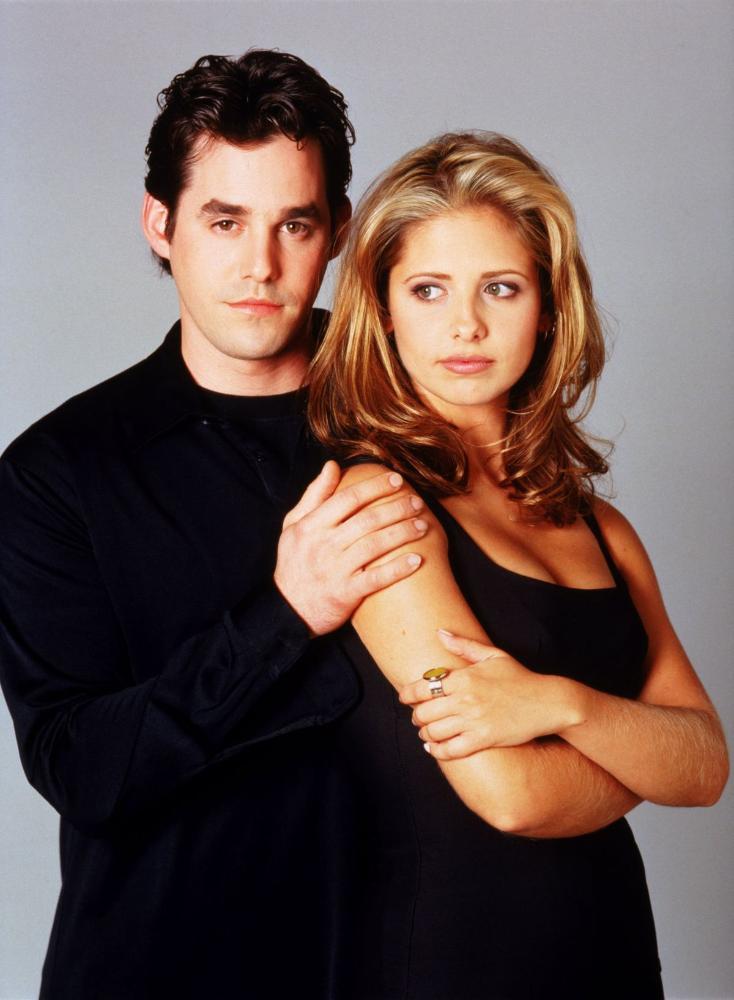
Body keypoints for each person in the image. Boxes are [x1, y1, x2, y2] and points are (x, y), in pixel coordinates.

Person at [0, 51, 431, 999]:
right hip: (162, 971)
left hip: (394, 963)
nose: (260, 266)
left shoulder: (419, 413)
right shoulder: (57, 472)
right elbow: (81, 768)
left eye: (294, 224)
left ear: (338, 232)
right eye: (224, 221)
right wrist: (288, 613)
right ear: (160, 224)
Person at [308, 131, 729, 998]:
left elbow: (708, 765)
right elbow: (515, 797)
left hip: (611, 953)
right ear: (384, 311)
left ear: (547, 308)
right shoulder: (380, 506)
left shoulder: (601, 527)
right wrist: (642, 750)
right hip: (451, 966)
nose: (466, 325)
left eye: (500, 287)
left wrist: (560, 704)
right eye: (428, 290)